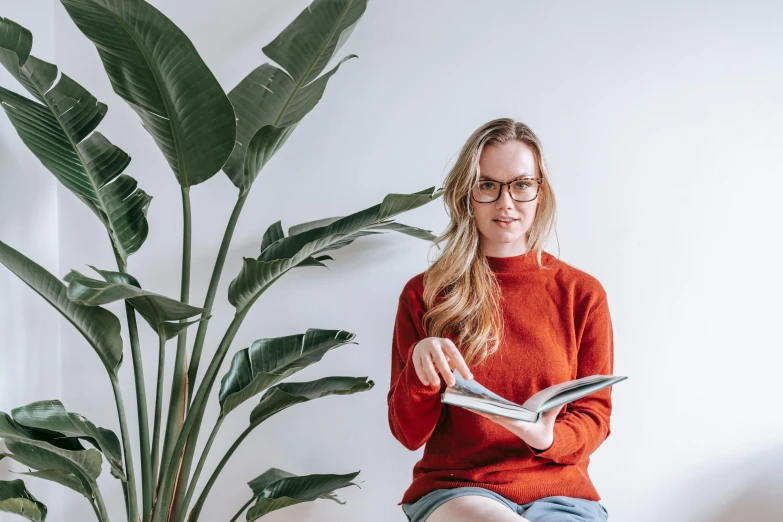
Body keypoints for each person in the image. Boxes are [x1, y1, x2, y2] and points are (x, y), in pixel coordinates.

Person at [387, 118, 614, 522]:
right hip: (459, 488)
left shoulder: (582, 293)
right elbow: (408, 433)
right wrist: (420, 366)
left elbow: (594, 417)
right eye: (487, 185)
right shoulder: (425, 294)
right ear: (467, 195)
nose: (505, 203)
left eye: (521, 185)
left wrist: (547, 438)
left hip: (561, 493)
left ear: (539, 193)